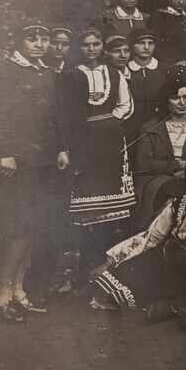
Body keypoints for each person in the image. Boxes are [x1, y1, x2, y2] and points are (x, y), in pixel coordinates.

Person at [0, 20, 71, 321]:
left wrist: (61, 148)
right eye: (32, 38)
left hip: (46, 160)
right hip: (18, 160)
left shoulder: (47, 71)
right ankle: (1, 290)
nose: (39, 43)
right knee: (17, 226)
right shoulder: (7, 71)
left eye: (44, 38)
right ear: (19, 42)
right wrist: (5, 153)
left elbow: (54, 114)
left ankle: (19, 288)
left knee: (36, 224)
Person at [89, 156, 186, 321]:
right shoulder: (178, 204)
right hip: (167, 260)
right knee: (113, 280)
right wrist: (111, 261)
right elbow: (150, 237)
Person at [66, 28, 136, 231]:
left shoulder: (114, 73)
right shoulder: (71, 74)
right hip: (83, 138)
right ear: (79, 48)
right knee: (86, 186)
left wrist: (109, 121)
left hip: (110, 137)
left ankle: (108, 235)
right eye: (86, 45)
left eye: (95, 44)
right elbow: (65, 109)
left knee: (110, 184)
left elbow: (126, 104)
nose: (91, 49)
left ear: (102, 47)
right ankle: (85, 238)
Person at [133, 78, 186, 218]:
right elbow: (143, 163)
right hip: (157, 179)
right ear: (165, 100)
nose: (182, 103)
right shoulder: (150, 128)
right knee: (171, 193)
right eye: (175, 98)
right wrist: (177, 165)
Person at [124, 30, 165, 146]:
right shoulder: (125, 70)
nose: (146, 47)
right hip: (131, 128)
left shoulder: (165, 69)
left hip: (158, 126)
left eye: (150, 43)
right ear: (132, 45)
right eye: (141, 43)